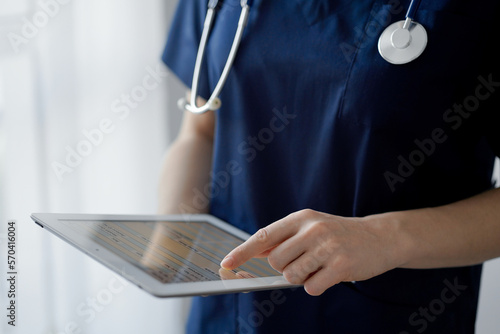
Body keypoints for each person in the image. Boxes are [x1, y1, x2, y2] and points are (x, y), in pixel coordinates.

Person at [158, 0, 500, 333]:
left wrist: (386, 238)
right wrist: (171, 233)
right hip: (227, 310)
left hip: (385, 314)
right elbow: (201, 132)